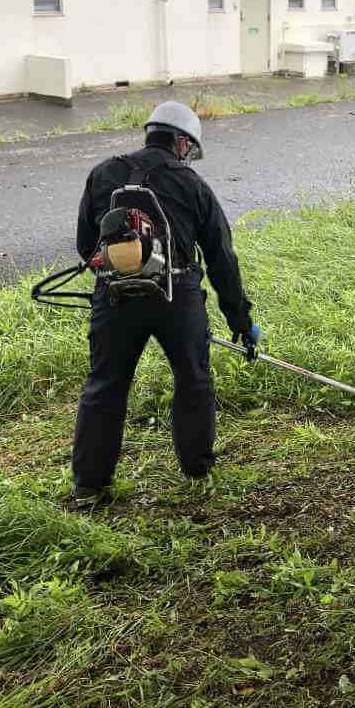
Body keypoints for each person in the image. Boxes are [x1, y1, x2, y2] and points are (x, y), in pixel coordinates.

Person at [70, 101, 259, 507]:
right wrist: (241, 321)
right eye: (189, 150)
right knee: (193, 380)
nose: (189, 157)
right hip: (177, 298)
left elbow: (87, 245)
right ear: (181, 143)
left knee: (105, 385)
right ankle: (198, 467)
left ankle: (89, 485)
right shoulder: (191, 185)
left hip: (115, 294)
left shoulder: (103, 174)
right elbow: (222, 258)